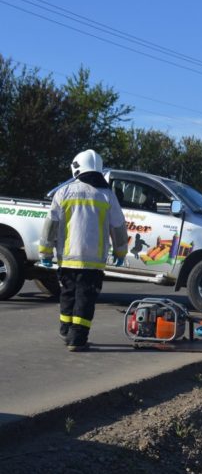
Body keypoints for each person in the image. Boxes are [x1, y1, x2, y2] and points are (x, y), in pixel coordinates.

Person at [38, 149, 128, 351]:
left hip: (68, 258)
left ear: (77, 168)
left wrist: (45, 252)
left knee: (68, 294)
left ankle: (66, 331)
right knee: (85, 298)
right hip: (93, 261)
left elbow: (50, 225)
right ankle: (77, 339)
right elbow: (118, 227)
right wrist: (120, 252)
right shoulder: (107, 195)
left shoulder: (64, 192)